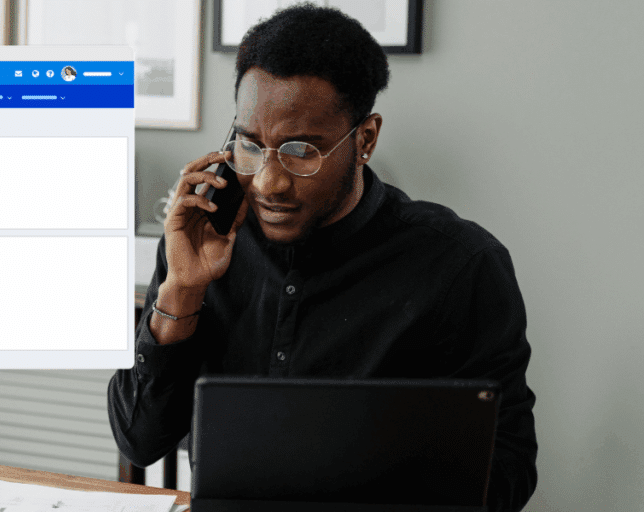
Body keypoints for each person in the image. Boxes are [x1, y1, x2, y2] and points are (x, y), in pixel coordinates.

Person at [107, 4, 537, 511]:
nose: (269, 181)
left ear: (365, 139)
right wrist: (181, 290)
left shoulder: (461, 265)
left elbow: (507, 471)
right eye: (250, 144)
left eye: (301, 151)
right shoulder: (202, 241)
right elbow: (140, 441)